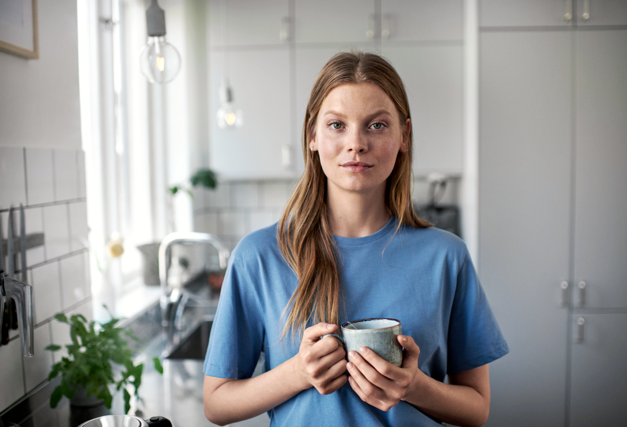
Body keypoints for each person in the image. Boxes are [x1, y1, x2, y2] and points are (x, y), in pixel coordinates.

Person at [202, 51, 509, 427]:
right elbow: (216, 404)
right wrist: (296, 373)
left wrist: (415, 387)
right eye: (336, 125)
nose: (356, 143)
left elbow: (476, 409)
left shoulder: (447, 257)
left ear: (404, 136)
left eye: (377, 125)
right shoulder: (258, 256)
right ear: (312, 135)